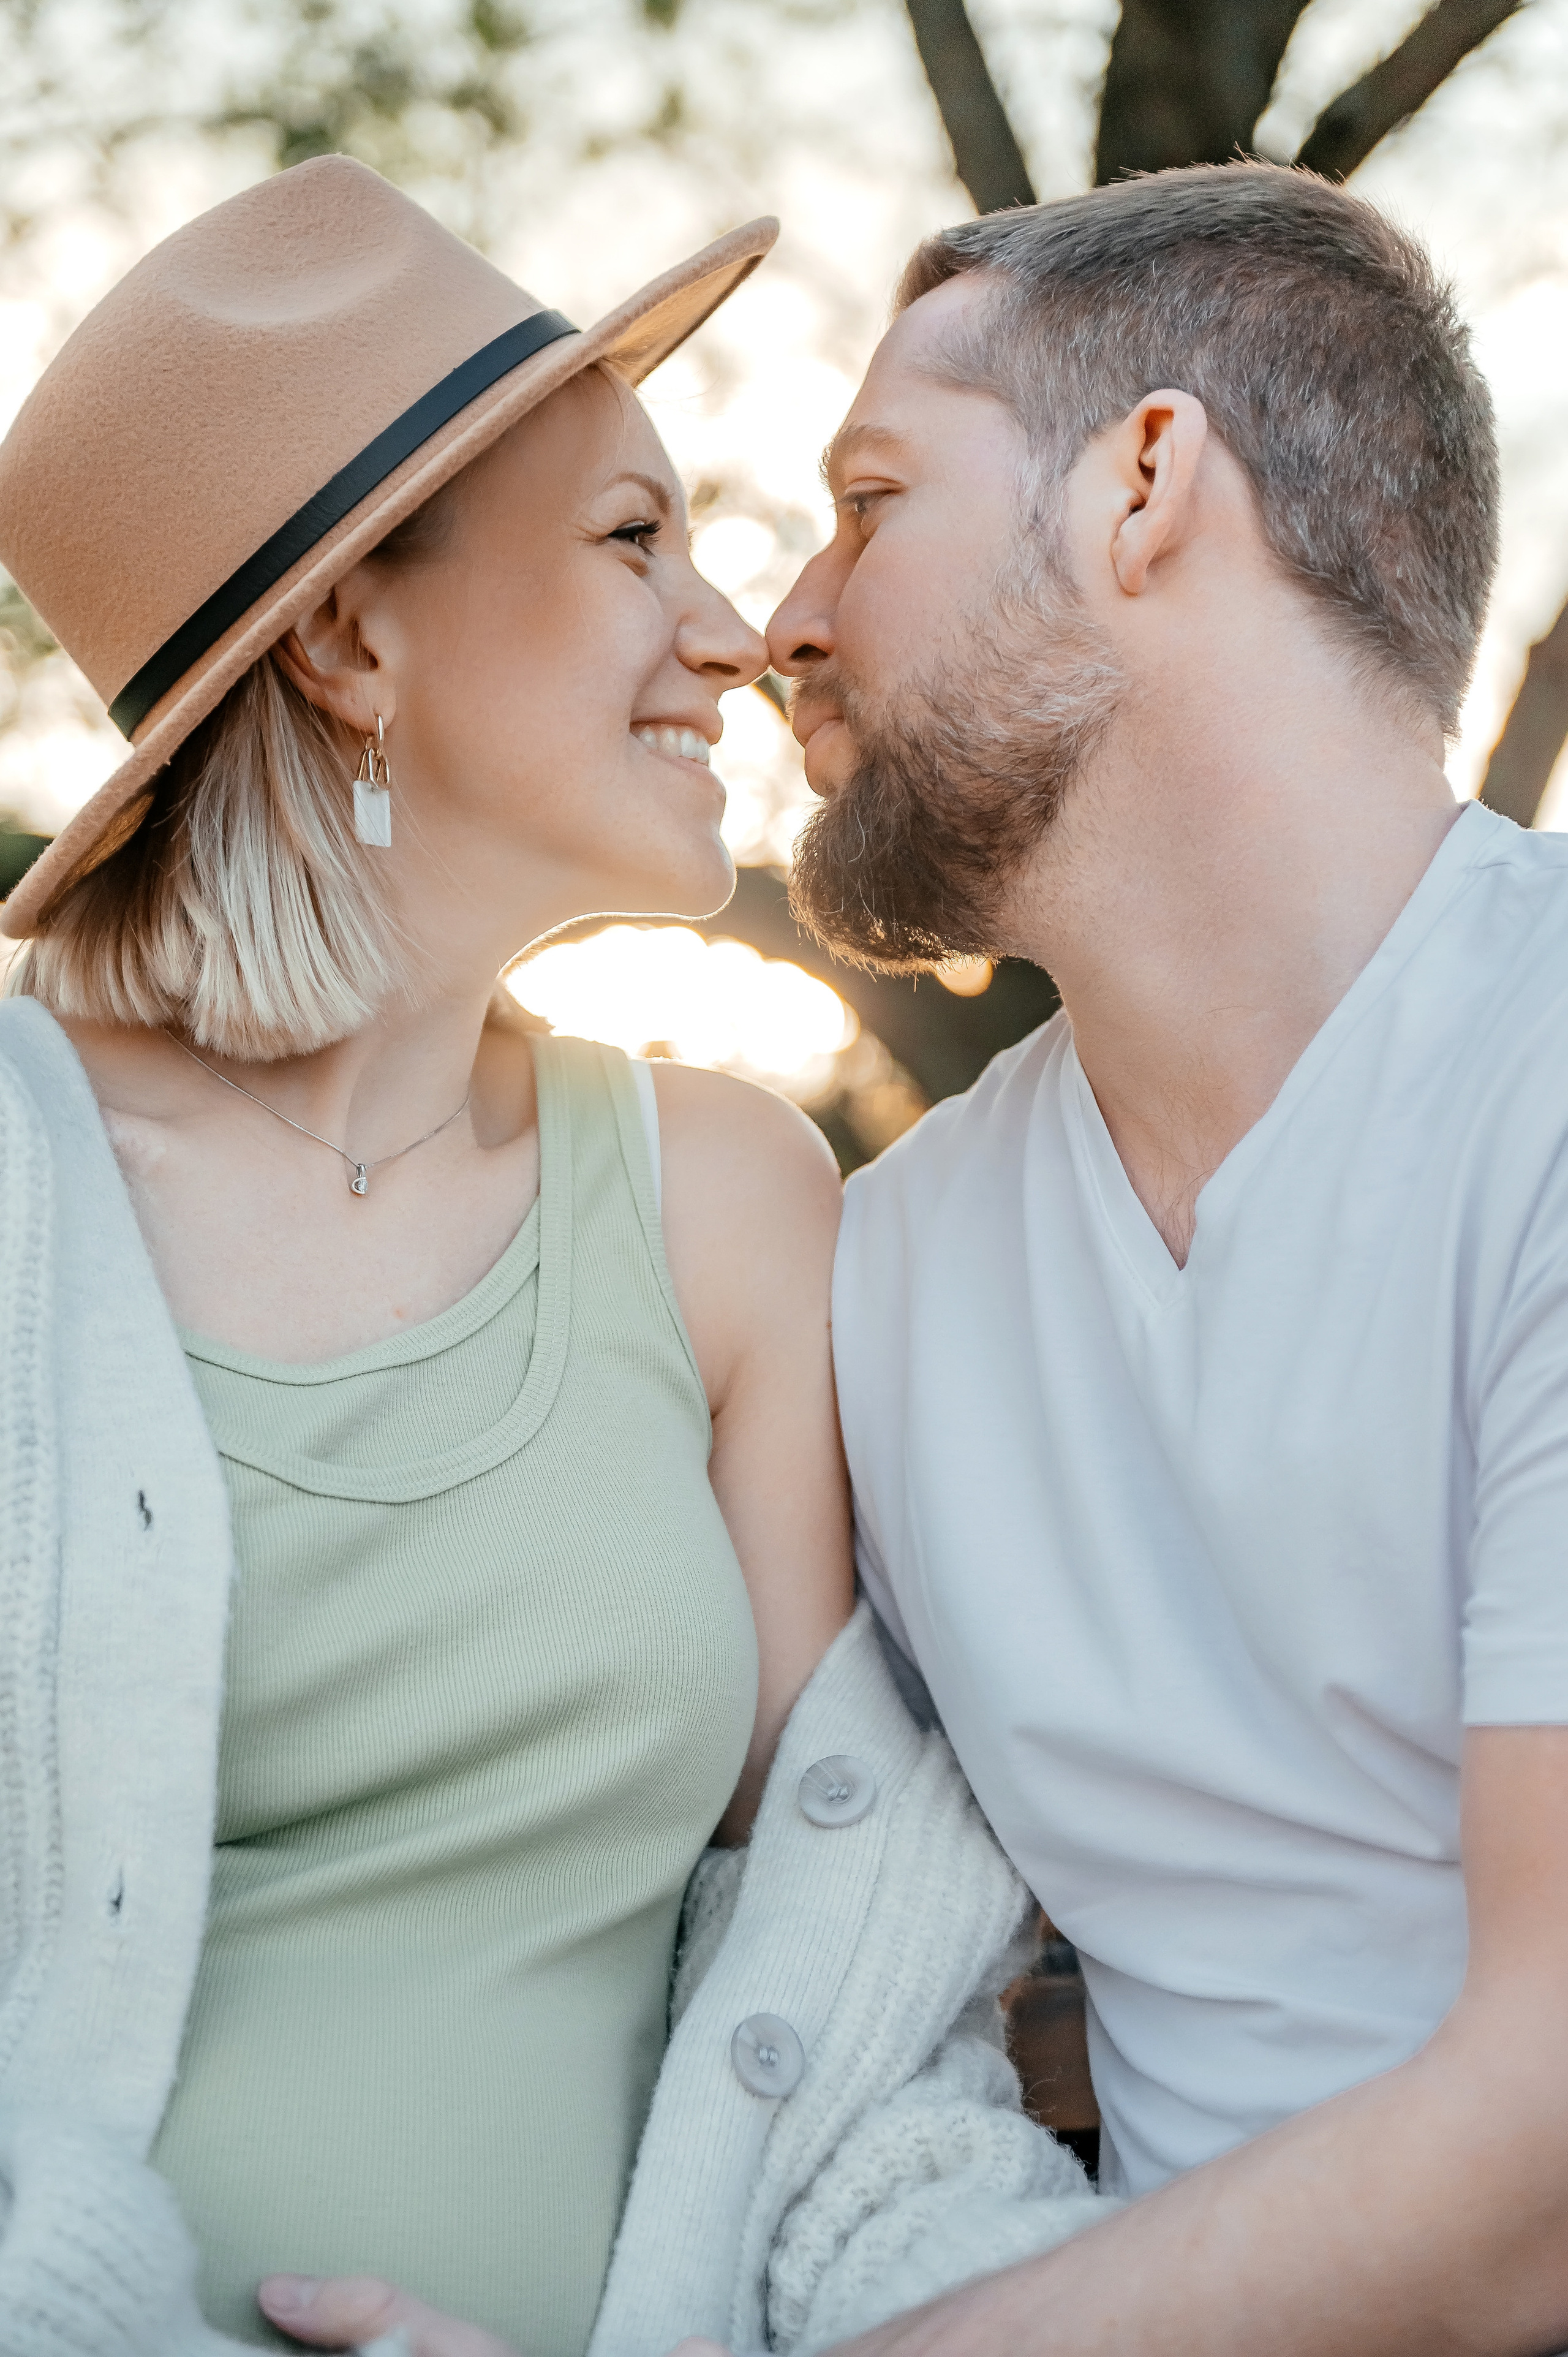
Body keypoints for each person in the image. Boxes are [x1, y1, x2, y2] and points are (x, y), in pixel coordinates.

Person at [0, 156, 1114, 2357]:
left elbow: (846, 1988)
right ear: (346, 634)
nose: (733, 631)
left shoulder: (725, 1201)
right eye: (633, 541)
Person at [753, 159, 1568, 2354]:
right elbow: (864, 2003)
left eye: (869, 500)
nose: (782, 627)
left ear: (1141, 486)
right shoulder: (888, 1264)